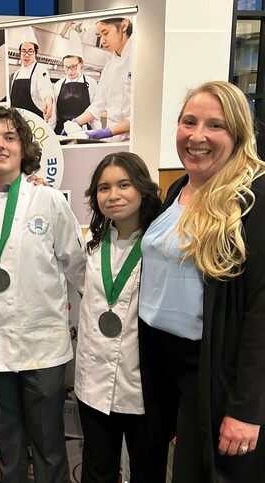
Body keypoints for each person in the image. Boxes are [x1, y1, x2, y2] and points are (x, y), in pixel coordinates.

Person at [138, 80, 265, 482]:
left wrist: (246, 409)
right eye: (188, 122)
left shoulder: (252, 199)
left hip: (211, 372)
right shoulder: (179, 187)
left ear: (239, 135)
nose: (197, 136)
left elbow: (262, 312)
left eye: (215, 126)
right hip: (167, 367)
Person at [0, 106, 86, 483]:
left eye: (9, 137)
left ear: (23, 147)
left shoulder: (50, 201)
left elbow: (77, 266)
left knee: (48, 442)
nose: (0, 145)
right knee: (8, 440)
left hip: (42, 342)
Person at [74, 152, 168, 483]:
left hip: (142, 388)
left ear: (142, 188)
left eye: (124, 185)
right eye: (104, 188)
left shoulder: (163, 245)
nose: (113, 195)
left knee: (148, 472)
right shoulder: (92, 243)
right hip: (95, 384)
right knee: (97, 471)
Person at [68, 18, 133, 142]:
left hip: (135, 138)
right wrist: (76, 122)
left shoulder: (140, 58)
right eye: (99, 35)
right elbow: (99, 103)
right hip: (113, 139)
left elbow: (141, 114)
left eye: (106, 33)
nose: (102, 40)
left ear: (124, 25)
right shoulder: (110, 65)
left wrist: (107, 132)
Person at [53, 30, 99, 135]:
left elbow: (94, 115)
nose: (69, 71)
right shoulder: (58, 85)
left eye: (73, 67)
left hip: (83, 132)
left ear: (81, 63)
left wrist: (98, 137)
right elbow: (54, 116)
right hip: (61, 132)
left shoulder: (91, 83)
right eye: (66, 67)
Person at [10, 26, 54, 121]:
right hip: (16, 121)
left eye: (30, 51)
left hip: (34, 122)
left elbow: (45, 87)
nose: (27, 55)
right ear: (20, 53)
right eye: (24, 51)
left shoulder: (40, 70)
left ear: (35, 53)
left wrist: (48, 99)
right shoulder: (16, 74)